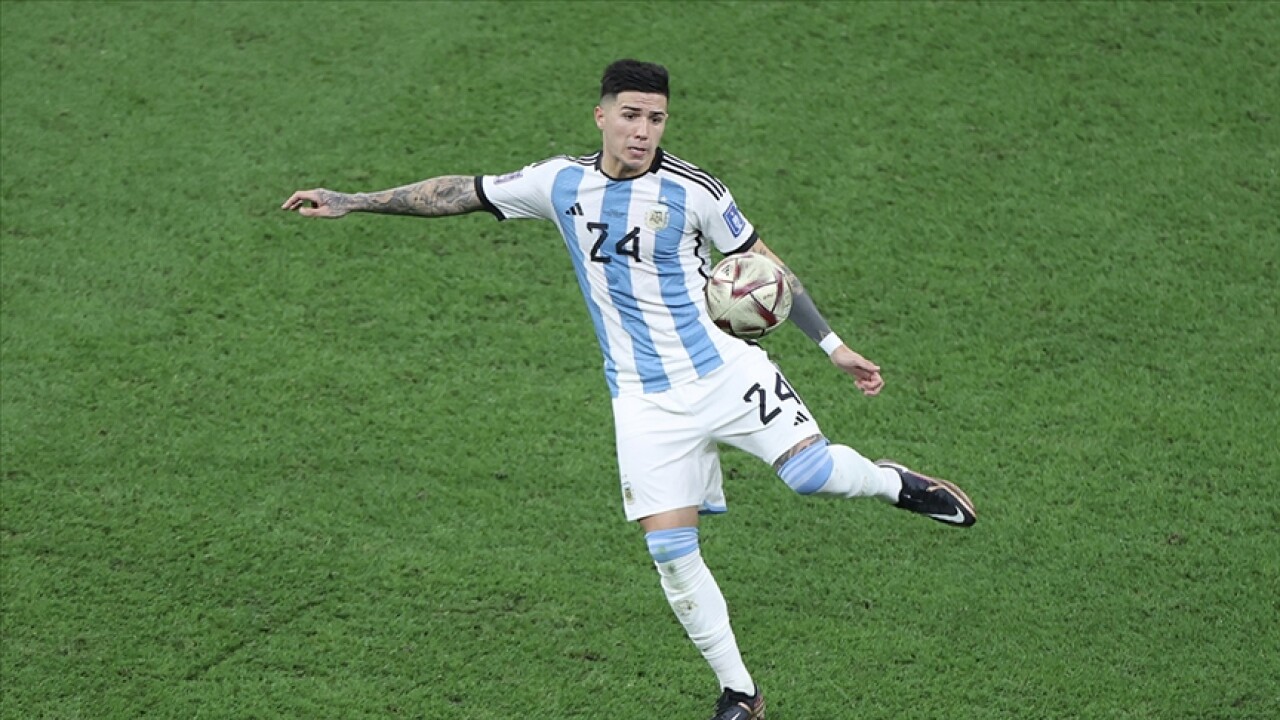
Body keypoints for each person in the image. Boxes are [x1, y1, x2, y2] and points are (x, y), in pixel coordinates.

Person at [282, 59, 976, 720]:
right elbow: (464, 191)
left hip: (725, 372)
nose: (643, 132)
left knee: (812, 476)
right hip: (643, 403)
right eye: (632, 116)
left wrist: (833, 346)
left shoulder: (696, 191)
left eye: (657, 119)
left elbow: (765, 268)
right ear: (602, 116)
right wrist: (353, 201)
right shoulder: (559, 183)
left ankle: (894, 483)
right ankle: (740, 693)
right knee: (672, 555)